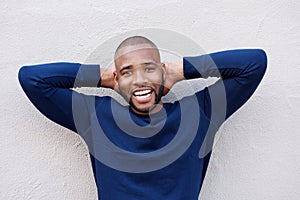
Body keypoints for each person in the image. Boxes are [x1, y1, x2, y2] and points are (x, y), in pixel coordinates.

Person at [18, 36, 267, 200]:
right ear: (116, 79)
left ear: (163, 71)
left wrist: (180, 71)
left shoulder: (199, 112)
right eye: (127, 72)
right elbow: (32, 79)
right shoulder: (96, 115)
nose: (139, 80)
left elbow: (253, 64)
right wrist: (106, 78)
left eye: (149, 68)